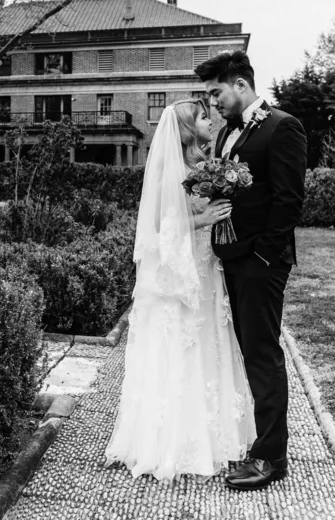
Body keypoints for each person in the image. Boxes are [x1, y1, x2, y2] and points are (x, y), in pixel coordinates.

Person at [104, 99, 255, 480]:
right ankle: (171, 442)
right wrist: (203, 219)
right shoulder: (170, 172)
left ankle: (213, 435)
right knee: (180, 346)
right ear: (188, 128)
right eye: (204, 117)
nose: (211, 119)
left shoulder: (204, 168)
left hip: (207, 268)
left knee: (208, 345)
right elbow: (159, 229)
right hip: (180, 275)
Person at [195, 49, 308, 491]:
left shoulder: (283, 126)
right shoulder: (229, 135)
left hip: (260, 264)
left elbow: (289, 200)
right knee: (249, 353)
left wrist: (262, 255)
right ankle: (259, 440)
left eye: (216, 92)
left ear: (240, 85)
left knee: (262, 355)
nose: (214, 102)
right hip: (234, 260)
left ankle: (271, 457)